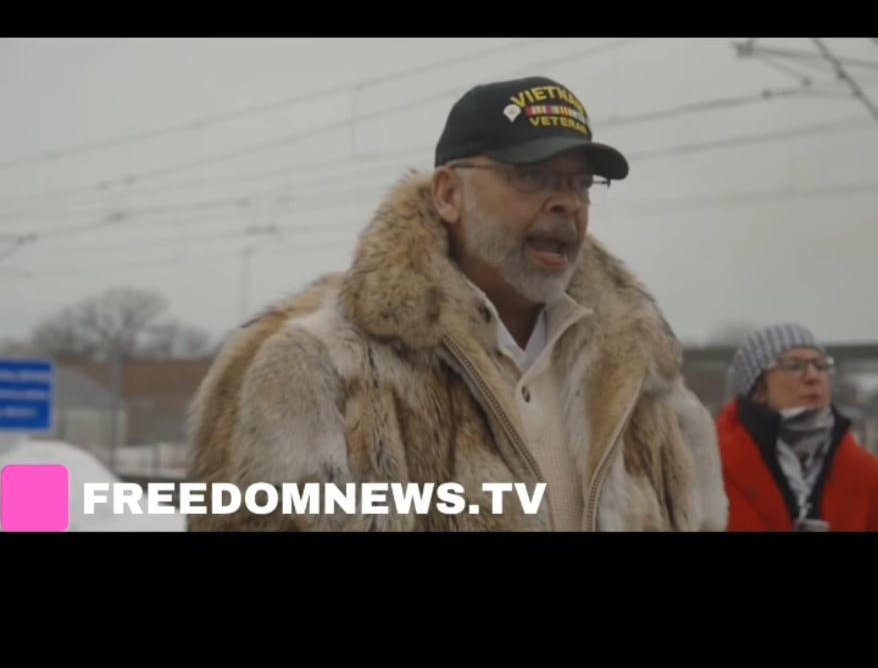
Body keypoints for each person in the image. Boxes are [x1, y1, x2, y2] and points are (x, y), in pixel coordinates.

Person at [186, 74, 728, 533]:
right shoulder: (314, 368)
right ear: (449, 194)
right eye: (532, 176)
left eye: (581, 183)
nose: (567, 202)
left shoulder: (641, 381)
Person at [717, 325, 878, 532]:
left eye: (821, 365)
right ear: (758, 389)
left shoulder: (864, 472)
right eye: (793, 366)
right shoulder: (713, 467)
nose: (813, 376)